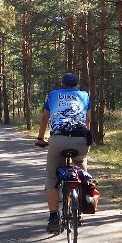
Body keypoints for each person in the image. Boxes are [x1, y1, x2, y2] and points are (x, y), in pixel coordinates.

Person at [35, 72, 91, 234]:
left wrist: (40, 138)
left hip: (58, 140)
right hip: (81, 140)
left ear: (63, 85)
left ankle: (53, 217)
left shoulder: (54, 95)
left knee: (51, 179)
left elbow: (45, 118)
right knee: (80, 163)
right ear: (77, 85)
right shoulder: (84, 95)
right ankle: (83, 192)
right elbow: (87, 120)